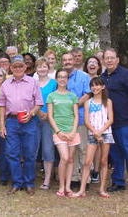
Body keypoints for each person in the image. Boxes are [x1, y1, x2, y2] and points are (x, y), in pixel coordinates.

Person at [0, 55, 43, 196]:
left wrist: (32, 113)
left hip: (29, 121)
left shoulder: (33, 82)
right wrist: (1, 125)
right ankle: (17, 182)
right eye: (15, 66)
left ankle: (29, 183)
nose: (18, 68)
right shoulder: (5, 84)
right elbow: (1, 106)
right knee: (12, 153)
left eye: (20, 66)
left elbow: (39, 102)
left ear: (25, 67)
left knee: (30, 153)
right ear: (11, 68)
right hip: (11, 121)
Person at [71, 77, 113, 198]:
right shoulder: (88, 102)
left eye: (98, 85)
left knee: (104, 161)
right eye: (93, 86)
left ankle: (102, 189)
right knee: (87, 162)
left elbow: (111, 119)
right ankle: (82, 190)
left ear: (103, 86)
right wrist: (95, 132)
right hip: (92, 133)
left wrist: (100, 132)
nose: (95, 87)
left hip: (106, 133)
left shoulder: (108, 101)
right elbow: (87, 121)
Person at [47, 69, 79, 197]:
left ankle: (67, 187)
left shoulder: (73, 96)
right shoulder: (52, 96)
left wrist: (73, 131)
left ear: (68, 79)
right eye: (60, 77)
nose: (62, 79)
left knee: (70, 159)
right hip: (59, 132)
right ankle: (61, 186)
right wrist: (58, 131)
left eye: (65, 77)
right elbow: (50, 116)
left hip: (72, 131)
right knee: (64, 157)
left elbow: (76, 116)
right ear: (56, 79)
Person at [61, 52, 90, 187]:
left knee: (83, 148)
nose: (67, 62)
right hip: (66, 120)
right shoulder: (61, 77)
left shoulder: (83, 76)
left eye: (70, 59)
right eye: (65, 60)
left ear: (74, 61)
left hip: (81, 117)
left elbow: (88, 94)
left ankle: (86, 179)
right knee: (71, 149)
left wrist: (74, 105)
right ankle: (73, 177)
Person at [101, 48, 128, 192]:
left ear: (117, 59)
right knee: (115, 153)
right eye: (107, 58)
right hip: (109, 123)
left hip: (125, 121)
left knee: (127, 150)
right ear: (103, 60)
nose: (109, 60)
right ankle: (118, 182)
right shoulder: (103, 77)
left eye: (112, 58)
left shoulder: (125, 74)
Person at [35, 58, 57, 190]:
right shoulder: (32, 83)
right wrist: (38, 113)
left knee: (48, 149)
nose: (42, 69)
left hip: (49, 120)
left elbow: (57, 100)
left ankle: (47, 179)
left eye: (44, 66)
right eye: (39, 67)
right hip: (34, 118)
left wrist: (48, 115)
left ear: (48, 68)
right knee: (32, 147)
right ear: (36, 69)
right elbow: (30, 100)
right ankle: (30, 176)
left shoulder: (54, 83)